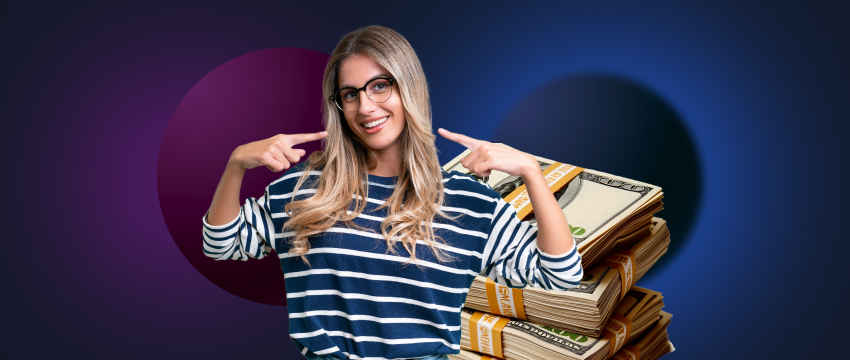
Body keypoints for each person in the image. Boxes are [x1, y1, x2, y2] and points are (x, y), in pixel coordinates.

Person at [202, 25, 583, 360]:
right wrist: (236, 164)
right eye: (350, 94)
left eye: (380, 86)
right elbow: (221, 245)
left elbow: (560, 274)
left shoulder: (471, 202)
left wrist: (533, 173)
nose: (366, 106)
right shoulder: (305, 187)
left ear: (408, 88)